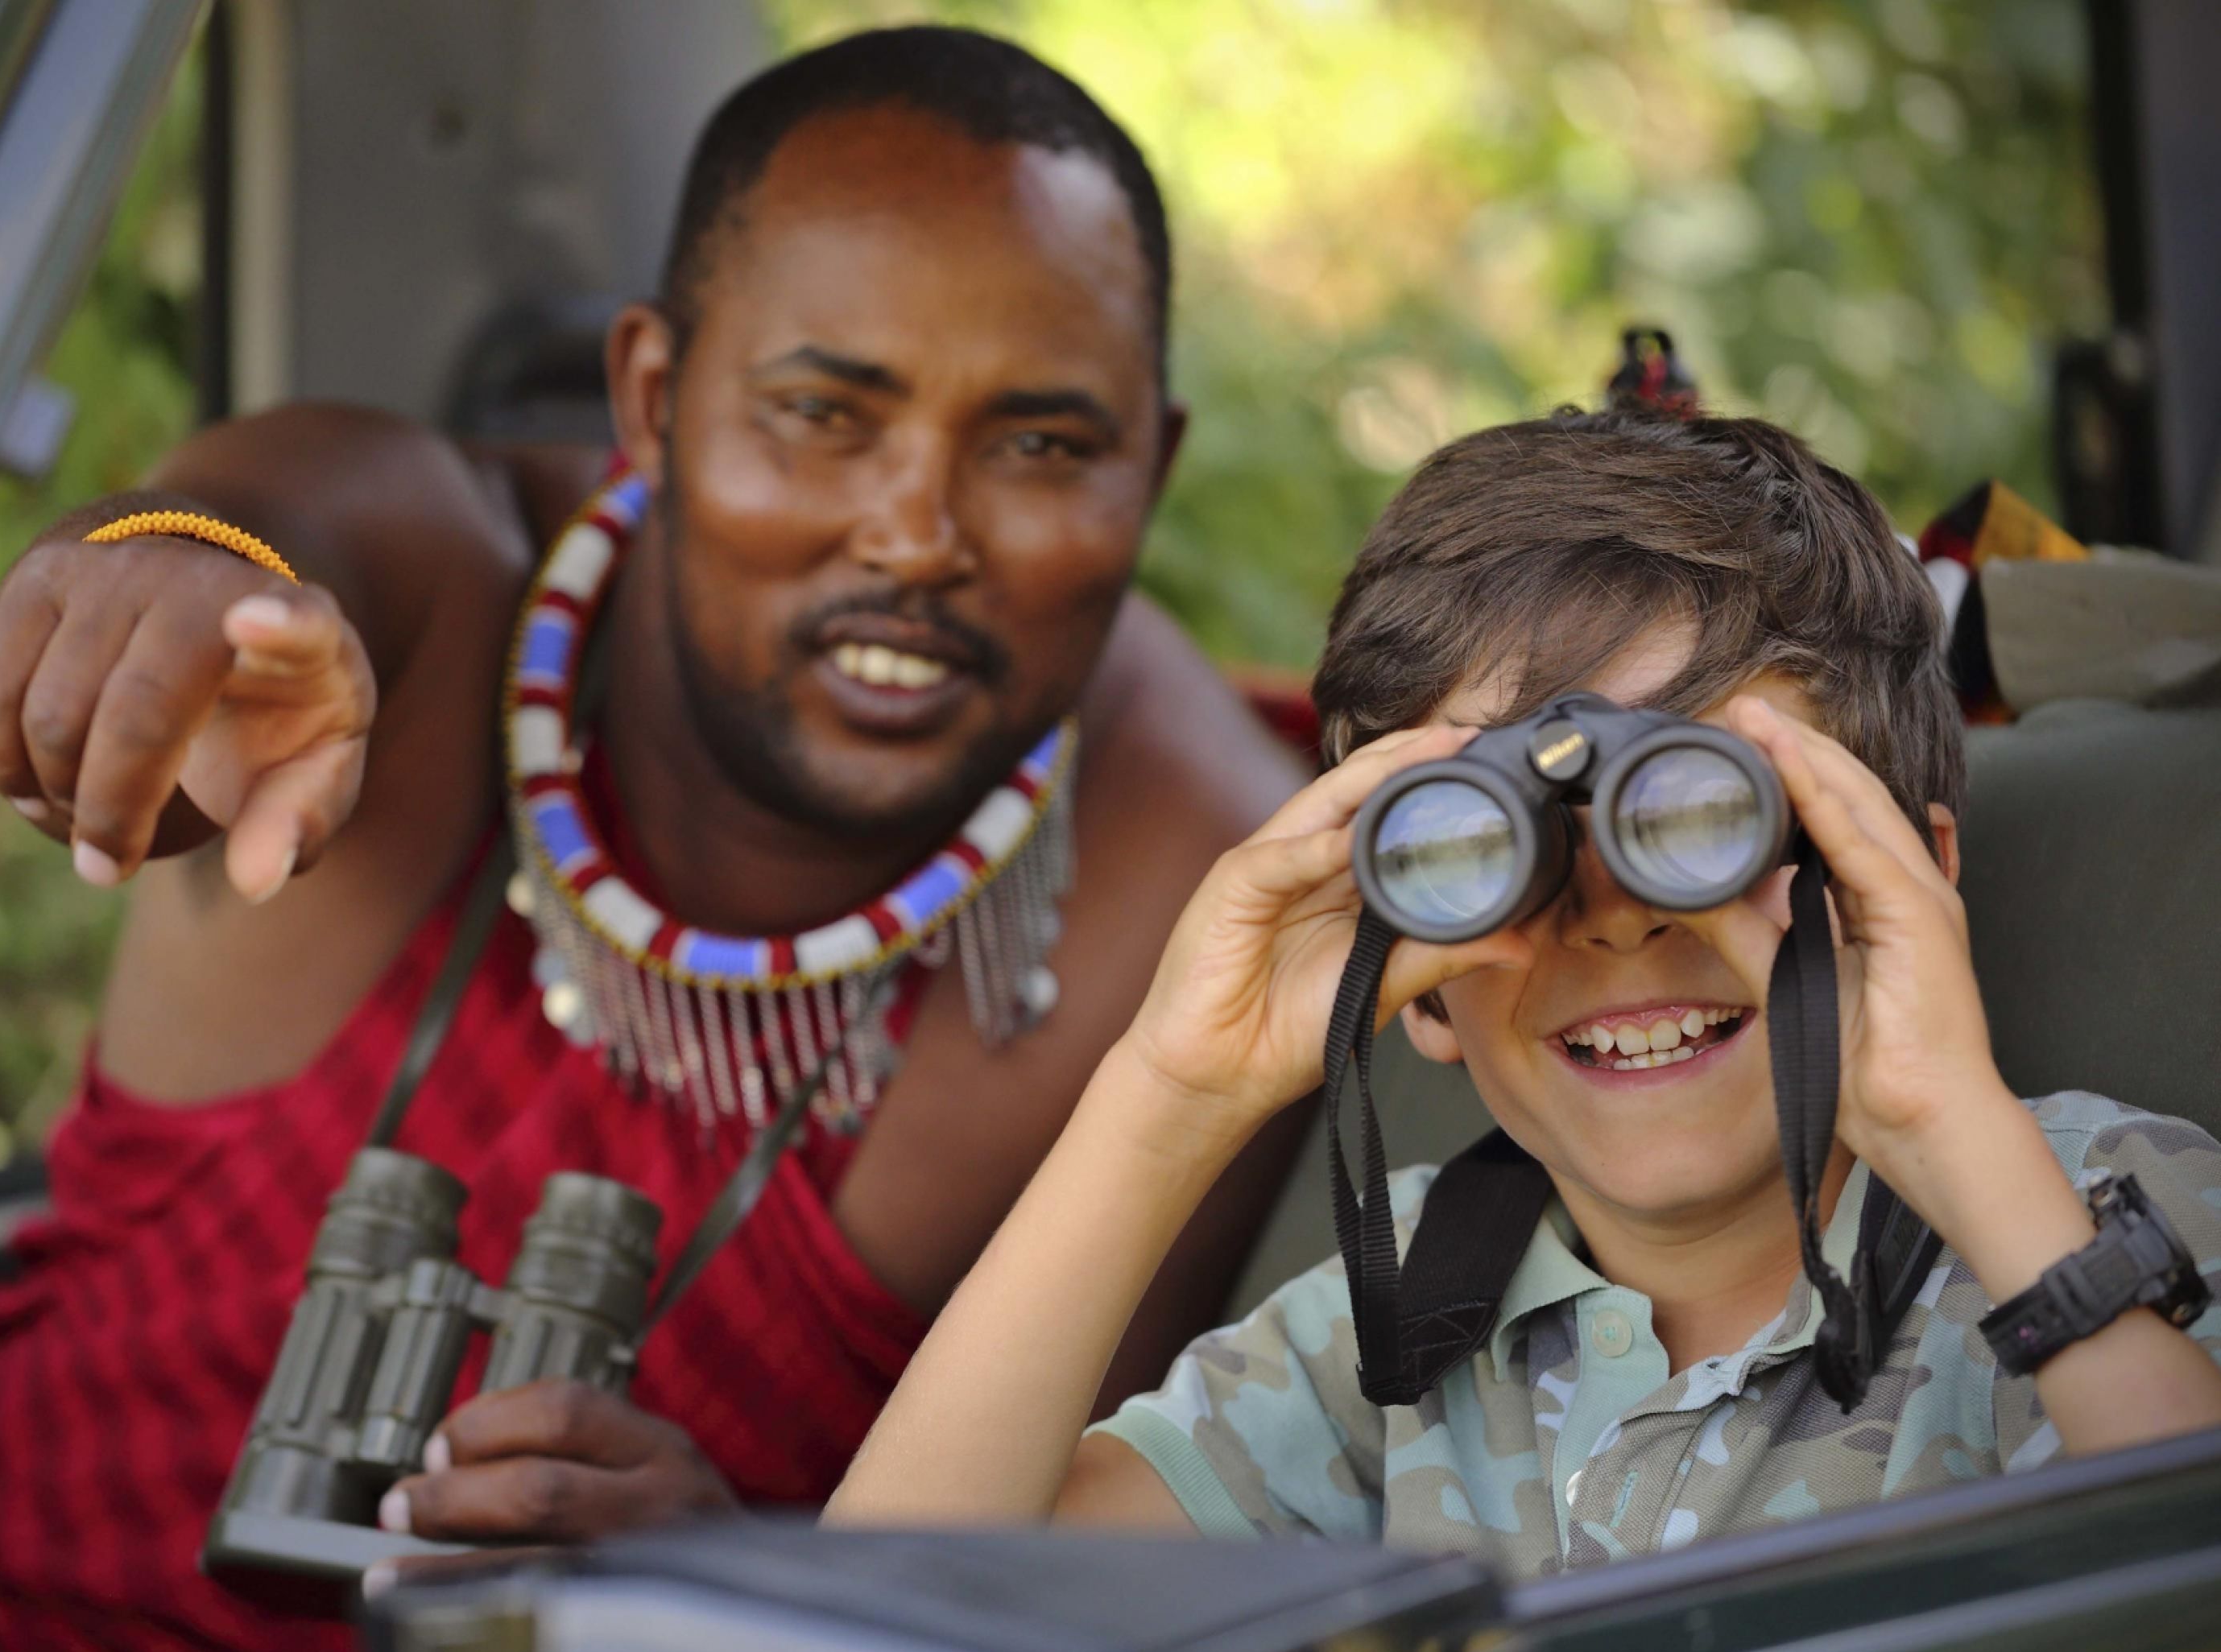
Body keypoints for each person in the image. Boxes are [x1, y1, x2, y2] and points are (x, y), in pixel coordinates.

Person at [0, 27, 1308, 1652]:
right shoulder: (428, 577)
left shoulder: (1193, 884)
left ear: (1151, 461)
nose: (919, 531)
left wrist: (740, 1576)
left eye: (1044, 446)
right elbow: (235, 546)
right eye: (821, 415)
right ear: (652, 395)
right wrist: (164, 594)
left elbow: (1042, 1598)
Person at [828, 409, 2221, 1569]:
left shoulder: (2119, 1213)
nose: (1614, 925)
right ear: (1414, 973)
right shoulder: (1399, 1331)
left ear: (1905, 879)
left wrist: (1948, 1126)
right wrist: (1170, 1093)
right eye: (1492, 849)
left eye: (1700, 825)